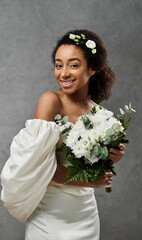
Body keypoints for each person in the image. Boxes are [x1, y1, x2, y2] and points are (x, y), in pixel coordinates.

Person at [1, 29, 126, 240]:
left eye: (74, 65)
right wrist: (92, 181)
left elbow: (95, 163)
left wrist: (113, 155)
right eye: (59, 65)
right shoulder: (51, 101)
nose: (64, 73)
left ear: (93, 68)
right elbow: (40, 167)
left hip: (86, 213)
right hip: (51, 215)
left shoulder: (101, 115)